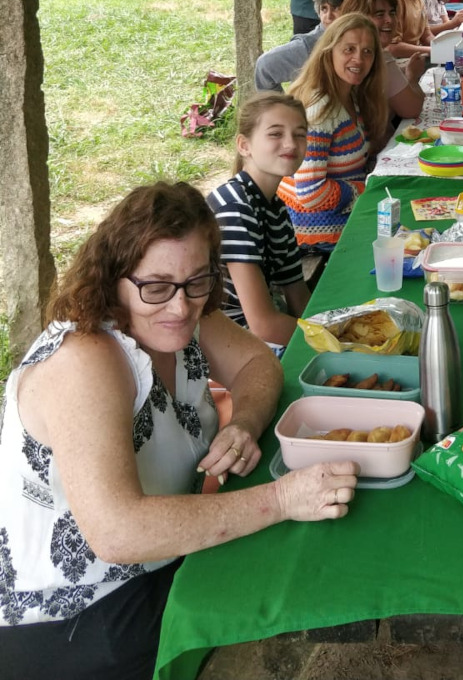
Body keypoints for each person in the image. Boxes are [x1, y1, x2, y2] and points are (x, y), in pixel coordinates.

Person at [0, 182, 357, 680]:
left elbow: (258, 362)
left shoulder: (181, 314)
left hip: (159, 563)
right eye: (157, 286)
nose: (180, 305)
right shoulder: (87, 360)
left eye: (198, 280)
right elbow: (117, 532)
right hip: (77, 617)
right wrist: (279, 501)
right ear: (114, 279)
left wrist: (246, 423)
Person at [207, 93, 311, 352]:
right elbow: (263, 325)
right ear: (244, 145)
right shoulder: (235, 208)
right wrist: (336, 343)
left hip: (261, 335)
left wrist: (331, 328)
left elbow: (298, 295)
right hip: (231, 346)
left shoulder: (275, 207)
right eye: (275, 134)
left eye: (299, 134)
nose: (290, 143)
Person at [278, 12, 389, 252]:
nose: (358, 59)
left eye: (367, 52)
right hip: (319, 230)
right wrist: (365, 188)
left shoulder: (349, 96)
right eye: (349, 49)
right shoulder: (321, 111)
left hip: (336, 217)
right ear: (329, 51)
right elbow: (311, 194)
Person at [254, 0, 358, 92]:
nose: (328, 16)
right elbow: (265, 66)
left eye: (336, 8)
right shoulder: (307, 47)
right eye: (324, 8)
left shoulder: (363, 39)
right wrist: (282, 109)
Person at [338, 0, 425, 121]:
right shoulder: (379, 57)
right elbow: (411, 109)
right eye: (379, 14)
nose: (389, 20)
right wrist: (412, 77)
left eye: (392, 13)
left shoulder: (342, 48)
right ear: (359, 18)